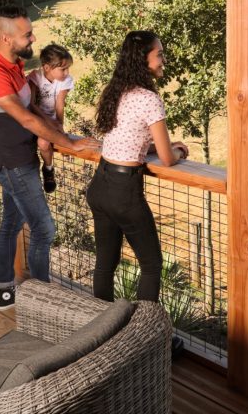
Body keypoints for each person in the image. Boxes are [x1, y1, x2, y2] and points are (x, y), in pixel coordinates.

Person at [0, 5, 99, 311]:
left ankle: (6, 290)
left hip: (21, 158)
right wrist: (70, 142)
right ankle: (42, 301)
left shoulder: (14, 65)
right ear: (6, 38)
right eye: (27, 34)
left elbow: (30, 109)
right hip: (14, 163)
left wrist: (55, 127)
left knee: (10, 223)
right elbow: (27, 120)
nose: (33, 38)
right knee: (44, 229)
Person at [86, 30, 189, 303]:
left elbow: (132, 139)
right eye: (159, 54)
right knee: (152, 266)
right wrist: (177, 149)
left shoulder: (117, 90)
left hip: (101, 184)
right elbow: (168, 159)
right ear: (143, 59)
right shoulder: (149, 99)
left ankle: (103, 328)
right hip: (124, 193)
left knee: (105, 265)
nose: (163, 59)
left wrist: (159, 146)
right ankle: (144, 334)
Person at [27, 44, 75, 193]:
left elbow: (60, 104)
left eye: (68, 68)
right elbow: (32, 104)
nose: (67, 72)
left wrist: (59, 126)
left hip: (51, 122)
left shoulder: (65, 81)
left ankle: (48, 169)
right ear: (47, 68)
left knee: (44, 142)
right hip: (35, 118)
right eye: (63, 69)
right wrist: (49, 121)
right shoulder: (35, 77)